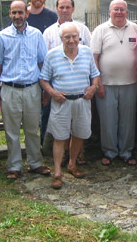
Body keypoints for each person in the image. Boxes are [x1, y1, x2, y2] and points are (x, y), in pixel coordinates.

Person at [0, 0, 50, 179]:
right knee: (11, 130)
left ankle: (35, 163)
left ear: (27, 14)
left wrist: (45, 89)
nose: (17, 16)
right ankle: (14, 165)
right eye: (13, 13)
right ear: (9, 14)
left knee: (33, 128)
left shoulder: (37, 35)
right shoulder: (2, 36)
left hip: (32, 88)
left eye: (20, 12)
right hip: (10, 89)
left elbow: (42, 63)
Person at [40, 22, 100, 189]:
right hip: (62, 102)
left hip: (82, 101)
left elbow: (95, 75)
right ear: (61, 38)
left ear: (79, 37)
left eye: (75, 36)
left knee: (79, 134)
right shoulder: (52, 55)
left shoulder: (87, 53)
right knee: (59, 137)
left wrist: (93, 87)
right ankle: (57, 172)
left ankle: (72, 164)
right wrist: (53, 93)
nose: (72, 40)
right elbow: (43, 79)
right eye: (67, 37)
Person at [91, 0, 137, 166]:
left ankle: (126, 151)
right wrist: (98, 83)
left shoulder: (135, 29)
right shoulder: (100, 30)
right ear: (110, 12)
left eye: (122, 9)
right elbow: (94, 58)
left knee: (128, 120)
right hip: (107, 84)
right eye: (115, 9)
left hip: (129, 83)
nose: (119, 12)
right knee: (108, 120)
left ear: (127, 12)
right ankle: (110, 151)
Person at [42, 0, 92, 164]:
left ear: (73, 9)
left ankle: (77, 155)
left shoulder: (83, 29)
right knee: (60, 128)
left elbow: (90, 59)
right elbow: (45, 61)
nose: (64, 10)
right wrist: (49, 91)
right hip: (58, 87)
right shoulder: (49, 32)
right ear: (56, 9)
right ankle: (61, 157)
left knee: (79, 127)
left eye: (67, 7)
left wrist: (94, 85)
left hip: (79, 89)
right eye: (61, 7)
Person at [26, 0, 58, 148]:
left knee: (46, 107)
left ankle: (44, 141)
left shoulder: (52, 16)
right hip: (28, 69)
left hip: (46, 68)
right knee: (30, 109)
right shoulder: (24, 15)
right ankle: (30, 142)